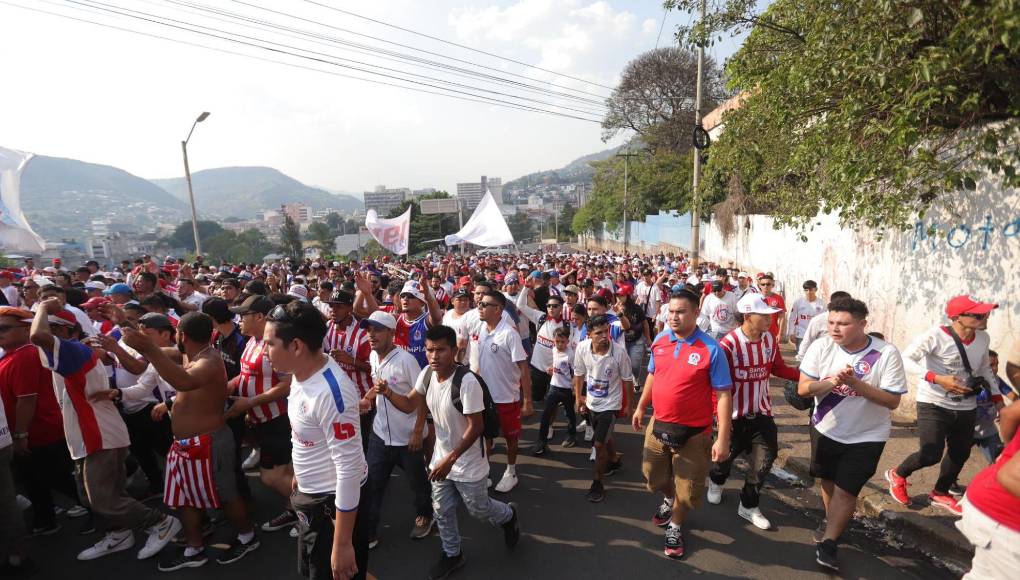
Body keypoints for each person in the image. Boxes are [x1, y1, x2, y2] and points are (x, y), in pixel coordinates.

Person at [30, 298, 180, 562]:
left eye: (52, 326)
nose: (47, 331)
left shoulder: (74, 352)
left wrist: (42, 306)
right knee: (90, 493)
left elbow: (38, 336)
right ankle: (119, 533)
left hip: (100, 433)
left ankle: (159, 522)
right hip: (86, 434)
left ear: (66, 331)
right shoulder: (72, 351)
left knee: (103, 498)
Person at [374, 325, 520, 580]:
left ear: (454, 351)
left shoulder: (467, 382)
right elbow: (409, 404)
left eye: (441, 350)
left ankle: (508, 515)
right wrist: (387, 392)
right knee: (441, 508)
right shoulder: (427, 375)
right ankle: (452, 553)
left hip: (467, 462)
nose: (434, 356)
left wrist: (451, 459)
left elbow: (477, 427)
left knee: (478, 509)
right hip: (442, 460)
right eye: (430, 350)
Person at [123, 311, 258, 570]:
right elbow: (165, 354)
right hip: (186, 445)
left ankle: (246, 536)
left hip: (210, 442)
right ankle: (193, 548)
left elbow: (182, 381)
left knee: (227, 495)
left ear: (182, 335)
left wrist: (149, 348)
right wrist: (127, 325)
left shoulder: (208, 361)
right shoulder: (192, 354)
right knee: (185, 498)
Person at [262, 300, 370, 580]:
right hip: (310, 498)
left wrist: (343, 543)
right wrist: (300, 472)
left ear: (296, 346)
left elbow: (350, 469)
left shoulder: (331, 393)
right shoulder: (301, 373)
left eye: (270, 344)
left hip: (332, 507)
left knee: (338, 572)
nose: (264, 352)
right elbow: (306, 435)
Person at [798, 297, 907, 572]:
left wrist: (855, 384)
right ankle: (832, 521)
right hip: (826, 427)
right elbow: (803, 389)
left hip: (867, 436)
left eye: (843, 324)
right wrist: (831, 382)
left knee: (847, 491)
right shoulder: (821, 347)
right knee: (828, 481)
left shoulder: (886, 353)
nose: (835, 329)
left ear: (862, 324)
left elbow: (892, 401)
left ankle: (829, 542)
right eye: (831, 322)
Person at [631, 289, 733, 560]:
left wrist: (723, 437)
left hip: (695, 434)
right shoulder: (661, 340)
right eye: (671, 311)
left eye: (681, 312)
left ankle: (675, 525)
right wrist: (641, 406)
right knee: (653, 477)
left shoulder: (712, 349)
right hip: (658, 424)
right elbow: (653, 375)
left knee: (687, 494)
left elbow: (723, 394)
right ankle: (668, 498)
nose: (674, 317)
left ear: (696, 313)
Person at [887, 295, 998, 515]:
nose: (985, 317)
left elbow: (984, 368)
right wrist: (936, 378)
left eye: (986, 313)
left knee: (960, 453)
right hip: (934, 403)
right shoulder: (935, 336)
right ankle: (897, 474)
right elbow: (905, 359)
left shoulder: (983, 338)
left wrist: (998, 399)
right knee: (930, 454)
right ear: (957, 318)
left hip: (966, 405)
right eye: (978, 315)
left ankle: (940, 492)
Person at [708, 294, 800, 530]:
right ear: (748, 316)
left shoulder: (769, 339)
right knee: (723, 461)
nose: (771, 318)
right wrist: (719, 422)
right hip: (733, 418)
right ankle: (716, 481)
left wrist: (807, 377)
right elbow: (717, 388)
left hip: (762, 414)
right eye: (765, 314)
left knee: (764, 462)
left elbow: (778, 367)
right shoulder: (727, 345)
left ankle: (748, 505)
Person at [0, 306, 84, 536]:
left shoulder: (26, 355)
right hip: (34, 430)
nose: (0, 333)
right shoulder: (13, 354)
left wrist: (20, 435)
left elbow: (26, 399)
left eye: (4, 328)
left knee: (53, 477)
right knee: (39, 479)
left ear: (26, 328)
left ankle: (103, 512)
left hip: (38, 430)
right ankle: (46, 518)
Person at [360, 311, 433, 549]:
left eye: (378, 329)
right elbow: (377, 384)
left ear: (392, 333)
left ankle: (425, 514)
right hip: (381, 435)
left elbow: (421, 397)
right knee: (372, 483)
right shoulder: (373, 355)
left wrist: (418, 431)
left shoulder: (406, 361)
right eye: (369, 329)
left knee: (417, 482)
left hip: (407, 437)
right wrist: (368, 398)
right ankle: (369, 530)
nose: (372, 334)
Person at [227, 295, 296, 534]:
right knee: (288, 472)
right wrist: (232, 384)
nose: (239, 320)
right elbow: (247, 375)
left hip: (276, 419)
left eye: (243, 315)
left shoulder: (272, 344)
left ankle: (313, 509)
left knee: (271, 477)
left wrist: (251, 402)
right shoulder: (252, 341)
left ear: (259, 317)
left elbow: (288, 384)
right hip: (260, 418)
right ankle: (294, 510)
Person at [464, 291, 533, 493]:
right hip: (484, 397)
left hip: (506, 398)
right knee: (484, 435)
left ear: (498, 309)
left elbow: (523, 368)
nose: (480, 307)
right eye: (479, 303)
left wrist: (527, 401)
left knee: (510, 438)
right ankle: (483, 472)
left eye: (485, 304)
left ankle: (511, 472)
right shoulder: (483, 329)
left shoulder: (509, 334)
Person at [956, 401, 1020, 579]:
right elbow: (1012, 475)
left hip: (991, 505)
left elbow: (1009, 413)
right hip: (1006, 518)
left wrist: (1010, 452)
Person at [573, 315, 633, 502]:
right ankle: (614, 460)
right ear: (589, 335)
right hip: (592, 403)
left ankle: (597, 483)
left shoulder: (619, 353)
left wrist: (630, 405)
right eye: (598, 333)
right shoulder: (582, 348)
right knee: (604, 436)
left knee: (598, 444)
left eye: (606, 331)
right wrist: (578, 398)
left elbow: (627, 380)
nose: (603, 336)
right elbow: (579, 374)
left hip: (611, 405)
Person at [534, 327, 577, 456]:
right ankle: (541, 441)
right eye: (557, 341)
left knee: (569, 414)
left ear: (567, 341)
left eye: (562, 342)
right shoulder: (554, 350)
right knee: (546, 414)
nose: (559, 344)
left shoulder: (571, 355)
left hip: (567, 390)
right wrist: (551, 370)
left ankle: (571, 436)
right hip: (554, 387)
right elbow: (556, 365)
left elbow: (576, 373)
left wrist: (575, 388)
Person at [795, 291, 852, 362]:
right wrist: (801, 360)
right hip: (822, 360)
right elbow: (807, 340)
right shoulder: (818, 320)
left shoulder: (853, 320)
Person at [788, 280, 826, 349]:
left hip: (816, 335)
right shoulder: (798, 302)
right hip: (801, 334)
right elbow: (792, 318)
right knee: (801, 357)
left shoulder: (822, 303)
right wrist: (791, 333)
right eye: (806, 290)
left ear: (816, 289)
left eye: (811, 290)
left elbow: (825, 320)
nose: (809, 292)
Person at [756, 275, 786, 341]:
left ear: (772, 285)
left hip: (773, 332)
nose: (765, 286)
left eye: (768, 284)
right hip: (757, 332)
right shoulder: (755, 298)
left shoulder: (779, 298)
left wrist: (780, 333)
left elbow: (782, 317)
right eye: (763, 284)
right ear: (760, 286)